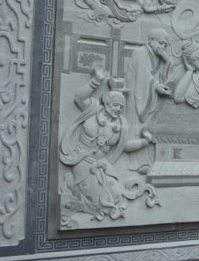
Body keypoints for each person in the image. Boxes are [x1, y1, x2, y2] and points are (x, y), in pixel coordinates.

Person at [59, 67, 155, 220]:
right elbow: (78, 98)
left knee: (115, 196)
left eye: (121, 107)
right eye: (115, 105)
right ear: (107, 103)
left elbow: (125, 146)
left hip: (103, 164)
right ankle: (71, 186)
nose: (118, 109)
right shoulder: (93, 109)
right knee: (96, 200)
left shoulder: (121, 124)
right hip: (81, 159)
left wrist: (145, 141)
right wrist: (95, 81)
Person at [130, 28, 172, 123]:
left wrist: (167, 62)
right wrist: (156, 85)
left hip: (153, 96)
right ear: (152, 40)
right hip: (135, 94)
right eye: (161, 43)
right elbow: (142, 74)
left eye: (165, 45)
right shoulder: (140, 52)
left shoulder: (159, 57)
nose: (163, 47)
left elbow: (165, 78)